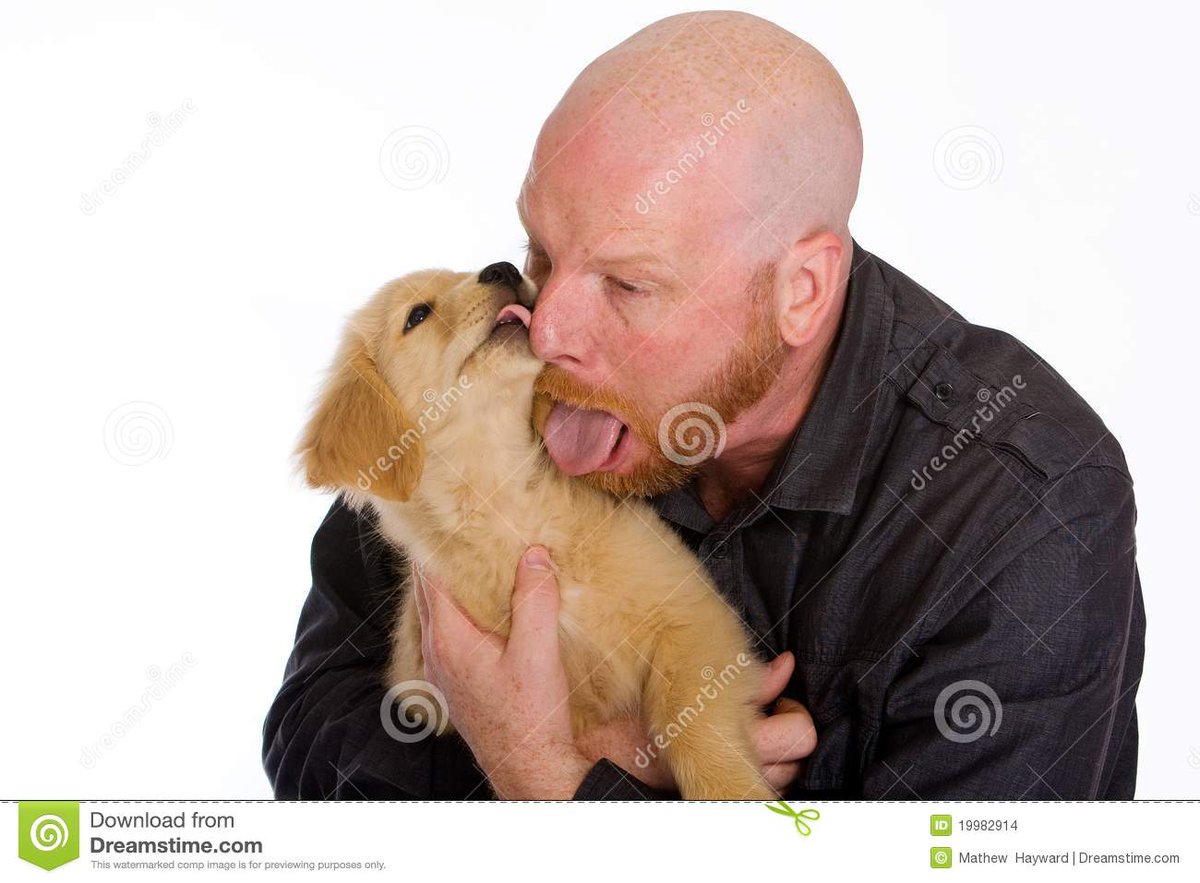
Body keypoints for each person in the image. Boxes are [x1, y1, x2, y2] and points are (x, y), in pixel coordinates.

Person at [264, 11, 1144, 800]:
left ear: (802, 291)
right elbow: (311, 729)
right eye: (541, 248)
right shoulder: (490, 366)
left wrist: (551, 775)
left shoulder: (1023, 509)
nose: (547, 326)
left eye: (628, 284)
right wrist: (612, 755)